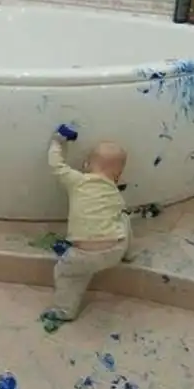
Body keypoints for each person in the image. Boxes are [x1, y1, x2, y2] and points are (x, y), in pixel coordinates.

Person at [42, 127, 132, 326]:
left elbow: (56, 165)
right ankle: (129, 252)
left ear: (86, 164)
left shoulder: (78, 181)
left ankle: (64, 310)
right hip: (114, 250)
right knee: (124, 218)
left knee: (67, 276)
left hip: (82, 254)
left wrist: (57, 142)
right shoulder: (115, 193)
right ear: (118, 175)